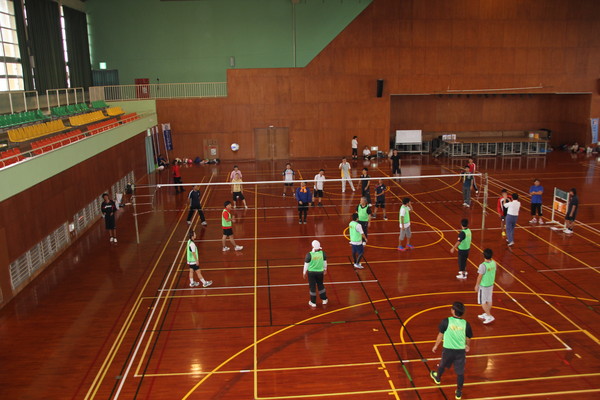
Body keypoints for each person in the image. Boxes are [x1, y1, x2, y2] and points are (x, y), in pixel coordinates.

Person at [430, 301, 473, 400]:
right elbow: (468, 337)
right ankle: (458, 392)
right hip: (460, 352)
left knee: (442, 364)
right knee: (460, 373)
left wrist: (435, 346)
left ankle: (438, 378)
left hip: (448, 350)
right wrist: (467, 345)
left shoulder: (446, 321)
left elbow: (440, 335)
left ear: (453, 311)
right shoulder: (466, 324)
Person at [303, 240, 328, 308]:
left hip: (311, 273)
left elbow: (306, 265)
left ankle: (313, 302)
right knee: (320, 285)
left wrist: (304, 272)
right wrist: (325, 269)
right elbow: (325, 263)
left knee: (312, 287)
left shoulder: (309, 255)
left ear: (312, 246)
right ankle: (324, 299)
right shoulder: (323, 253)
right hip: (320, 272)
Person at [474, 248, 496, 324]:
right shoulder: (494, 263)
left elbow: (480, 276)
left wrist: (477, 285)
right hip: (490, 284)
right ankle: (487, 314)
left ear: (484, 255)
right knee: (489, 300)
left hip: (483, 286)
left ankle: (489, 316)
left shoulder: (483, 266)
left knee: (482, 301)